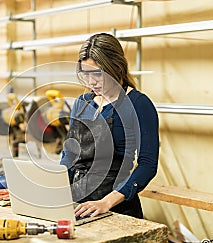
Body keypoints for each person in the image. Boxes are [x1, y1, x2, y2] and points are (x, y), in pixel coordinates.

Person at [60, 33, 159, 219]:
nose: (91, 82)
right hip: (79, 204)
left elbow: (148, 165)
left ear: (116, 67)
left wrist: (106, 202)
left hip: (117, 207)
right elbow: (70, 155)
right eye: (85, 74)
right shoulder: (82, 103)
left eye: (97, 73)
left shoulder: (138, 104)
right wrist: (57, 188)